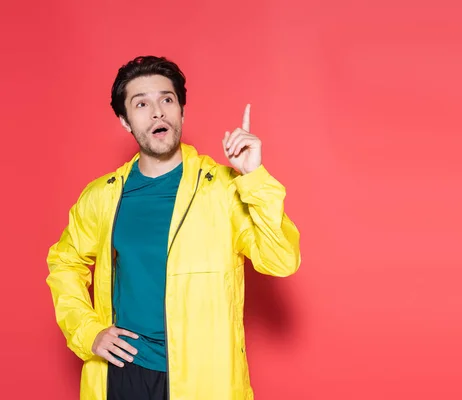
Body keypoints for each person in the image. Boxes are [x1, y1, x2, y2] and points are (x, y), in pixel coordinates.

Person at [46, 55, 301, 400]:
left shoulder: (224, 189)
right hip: (124, 373)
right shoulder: (102, 196)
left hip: (205, 378)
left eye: (167, 99)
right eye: (141, 104)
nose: (157, 112)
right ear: (124, 120)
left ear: (181, 110)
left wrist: (253, 177)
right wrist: (87, 330)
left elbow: (281, 259)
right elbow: (65, 262)